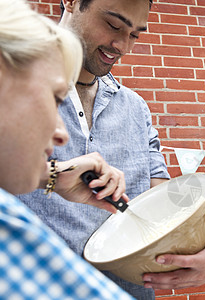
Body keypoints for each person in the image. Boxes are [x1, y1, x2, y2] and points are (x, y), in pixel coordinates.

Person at [19, 0, 205, 297]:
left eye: (134, 34)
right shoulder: (12, 81)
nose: (122, 46)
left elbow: (164, 207)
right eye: (113, 25)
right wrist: (52, 175)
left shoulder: (136, 108)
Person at [0, 0, 134, 298]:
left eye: (134, 35)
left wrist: (49, 176)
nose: (61, 134)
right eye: (53, 98)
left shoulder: (136, 108)